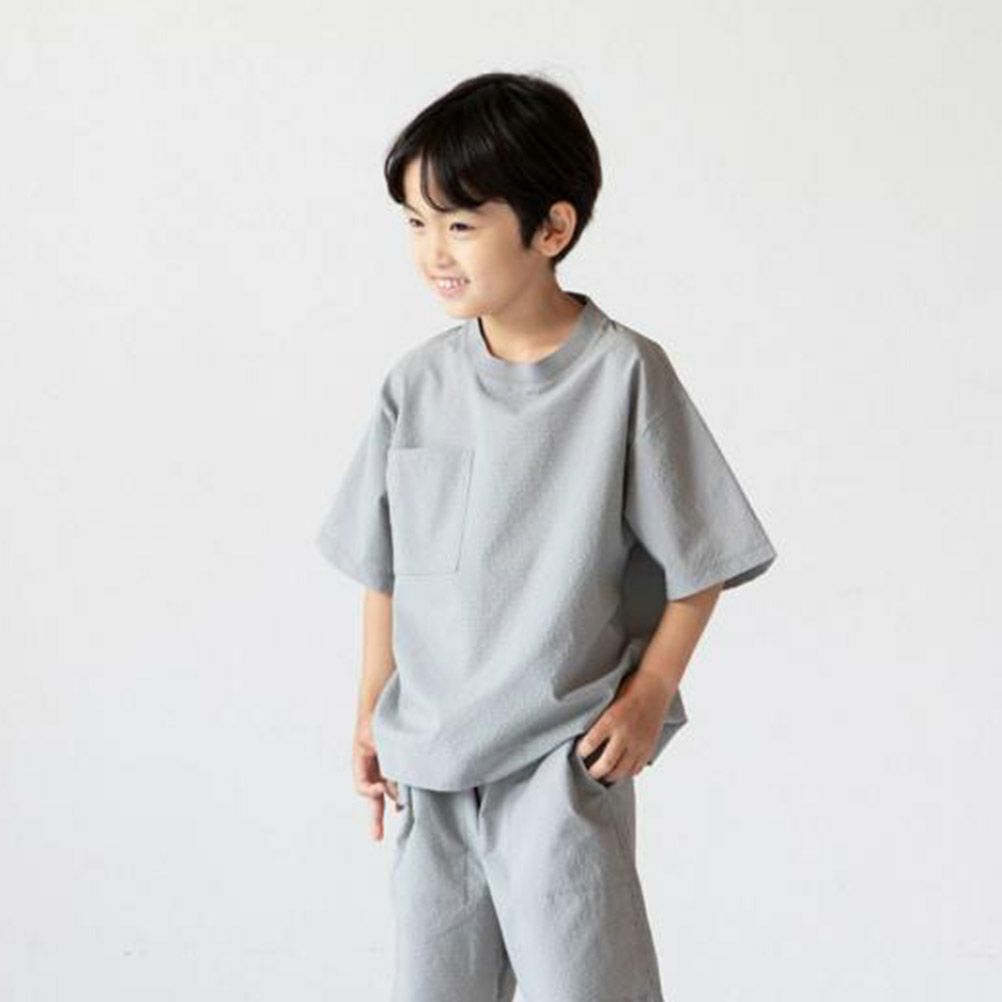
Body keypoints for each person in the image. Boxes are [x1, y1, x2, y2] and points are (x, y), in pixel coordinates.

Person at [315, 70, 778, 1002]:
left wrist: (650, 693)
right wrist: (370, 709)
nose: (432, 251)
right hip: (430, 768)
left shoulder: (624, 376)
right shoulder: (415, 387)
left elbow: (702, 561)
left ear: (552, 229)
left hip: (559, 766)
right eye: (414, 222)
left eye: (459, 223)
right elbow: (385, 566)